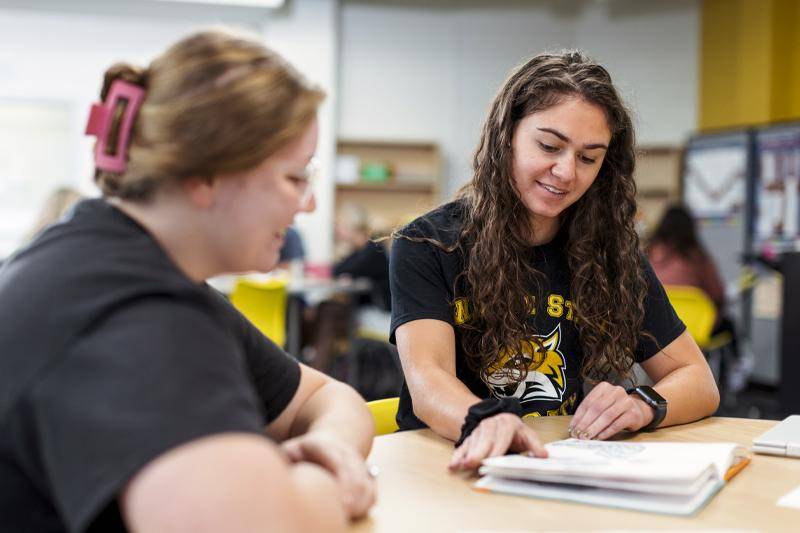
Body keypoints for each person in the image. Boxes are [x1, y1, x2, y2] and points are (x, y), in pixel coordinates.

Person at [0, 29, 375, 532]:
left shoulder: (112, 260)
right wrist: (332, 485)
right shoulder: (135, 314)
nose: (307, 203)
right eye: (294, 177)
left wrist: (329, 446)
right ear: (206, 175)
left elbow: (323, 398)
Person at [389, 51, 720, 471]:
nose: (566, 172)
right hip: (448, 466)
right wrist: (486, 423)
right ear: (506, 135)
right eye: (549, 146)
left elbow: (699, 381)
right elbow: (429, 380)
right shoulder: (428, 244)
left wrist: (642, 404)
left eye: (588, 158)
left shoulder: (612, 254)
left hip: (553, 467)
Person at [646, 204, 726, 318]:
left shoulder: (648, 255)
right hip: (694, 329)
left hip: (656, 328)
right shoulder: (697, 258)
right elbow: (718, 295)